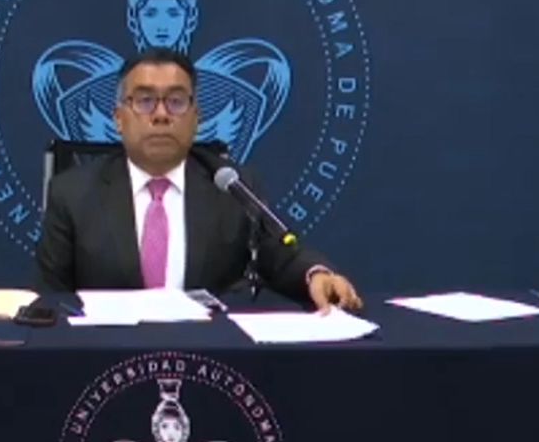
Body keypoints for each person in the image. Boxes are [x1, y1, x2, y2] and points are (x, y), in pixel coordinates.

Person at [36, 47, 362, 310]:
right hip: (105, 354)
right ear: (119, 118)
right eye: (145, 101)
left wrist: (316, 275)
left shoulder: (231, 186)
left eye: (176, 102)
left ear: (196, 118)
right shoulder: (72, 193)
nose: (161, 115)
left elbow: (281, 254)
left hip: (208, 353)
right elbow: (50, 298)